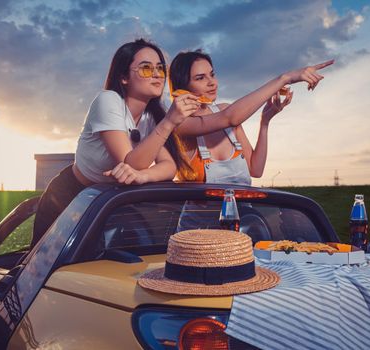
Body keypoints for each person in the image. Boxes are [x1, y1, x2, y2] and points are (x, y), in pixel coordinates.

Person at [32, 39, 199, 247]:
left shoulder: (153, 115)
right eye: (146, 68)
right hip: (70, 196)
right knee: (44, 269)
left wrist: (141, 176)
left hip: (110, 200)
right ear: (123, 77)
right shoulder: (108, 100)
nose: (157, 74)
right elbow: (130, 162)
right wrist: (170, 121)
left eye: (160, 68)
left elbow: (169, 167)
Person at [169, 50, 333, 185]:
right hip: (200, 223)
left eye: (212, 75)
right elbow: (230, 117)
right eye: (200, 78)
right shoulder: (180, 123)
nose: (212, 82)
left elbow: (256, 169)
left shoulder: (225, 110)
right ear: (183, 86)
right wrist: (285, 78)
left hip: (238, 219)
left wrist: (265, 123)